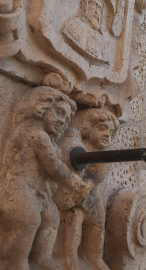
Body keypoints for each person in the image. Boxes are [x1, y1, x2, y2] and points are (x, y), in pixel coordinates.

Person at [0, 86, 92, 270]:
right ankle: (12, 262)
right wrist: (74, 181)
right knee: (28, 221)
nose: (62, 121)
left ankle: (41, 259)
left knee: (51, 219)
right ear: (41, 107)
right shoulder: (35, 134)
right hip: (16, 192)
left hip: (38, 196)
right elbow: (53, 166)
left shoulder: (49, 140)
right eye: (58, 113)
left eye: (67, 119)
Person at [55, 108, 118, 270]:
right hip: (74, 194)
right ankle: (69, 257)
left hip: (92, 194)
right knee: (75, 219)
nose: (107, 135)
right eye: (102, 129)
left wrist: (88, 185)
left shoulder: (104, 155)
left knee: (97, 223)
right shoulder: (79, 146)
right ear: (88, 128)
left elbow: (98, 176)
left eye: (111, 132)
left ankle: (94, 256)